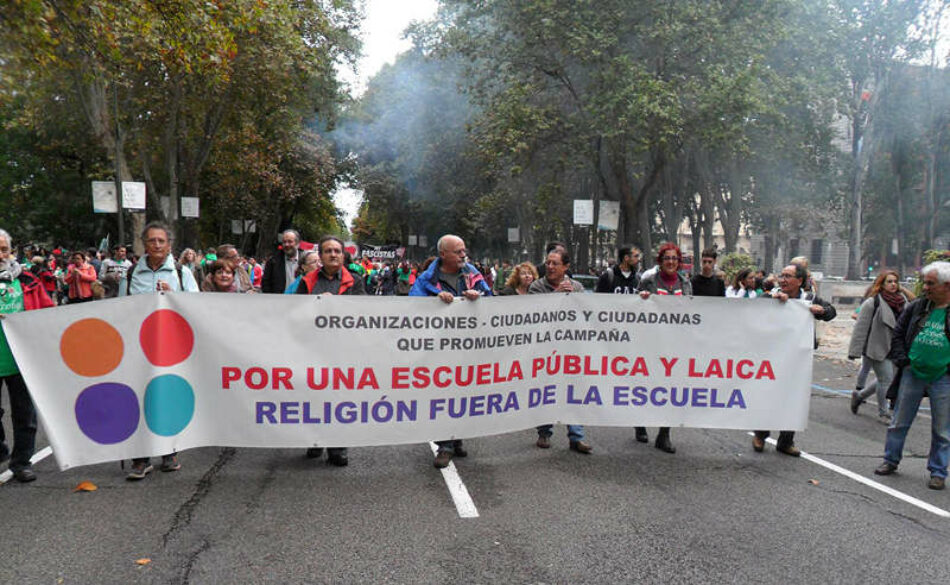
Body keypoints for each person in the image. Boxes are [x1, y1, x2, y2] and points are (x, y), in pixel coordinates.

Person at [120, 222, 199, 480]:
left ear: (169, 245)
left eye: (161, 241)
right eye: (151, 241)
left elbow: (197, 306)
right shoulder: (131, 274)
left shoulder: (181, 272)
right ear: (144, 244)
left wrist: (173, 295)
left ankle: (169, 452)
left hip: (172, 348)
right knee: (140, 399)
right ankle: (141, 458)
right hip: (140, 348)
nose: (156, 245)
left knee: (167, 396)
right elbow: (119, 310)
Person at [410, 234, 492, 468]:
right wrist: (435, 300)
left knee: (462, 395)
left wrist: (480, 296)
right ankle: (444, 445)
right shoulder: (427, 279)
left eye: (464, 250)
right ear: (443, 254)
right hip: (439, 350)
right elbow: (414, 306)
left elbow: (490, 299)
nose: (463, 255)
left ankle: (456, 439)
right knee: (442, 396)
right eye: (458, 251)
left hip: (467, 349)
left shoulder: (472, 275)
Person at [874, 262, 950, 490]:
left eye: (930, 284)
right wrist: (903, 360)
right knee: (899, 421)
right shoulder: (917, 307)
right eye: (925, 282)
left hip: (943, 377)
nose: (925, 288)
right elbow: (898, 333)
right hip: (912, 373)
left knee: (942, 428)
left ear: (947, 286)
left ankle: (938, 471)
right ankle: (890, 460)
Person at [295, 236, 367, 467]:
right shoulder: (306, 282)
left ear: (343, 255)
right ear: (321, 255)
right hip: (313, 348)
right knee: (314, 396)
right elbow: (294, 312)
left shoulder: (355, 281)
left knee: (338, 399)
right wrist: (316, 303)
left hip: (342, 350)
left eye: (337, 250)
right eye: (328, 251)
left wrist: (335, 303)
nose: (333, 254)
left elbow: (364, 311)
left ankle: (338, 447)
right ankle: (315, 440)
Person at [753, 263, 836, 456]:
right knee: (769, 395)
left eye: (788, 276)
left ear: (800, 281)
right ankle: (760, 434)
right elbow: (754, 309)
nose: (783, 280)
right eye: (782, 276)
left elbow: (831, 312)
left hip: (797, 359)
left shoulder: (809, 298)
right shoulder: (771, 294)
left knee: (792, 398)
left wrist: (821, 311)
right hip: (771, 356)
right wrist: (771, 301)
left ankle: (786, 441)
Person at [0, 229, 55, 482]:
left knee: (24, 413)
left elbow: (47, 312)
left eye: (3, 249)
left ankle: (22, 462)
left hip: (21, 359)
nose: (0, 254)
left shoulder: (27, 281)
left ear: (11, 251)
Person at [528, 247, 593, 454]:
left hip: (571, 349)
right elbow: (531, 315)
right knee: (546, 390)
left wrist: (576, 298)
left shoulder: (578, 287)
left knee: (573, 390)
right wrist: (555, 297)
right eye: (548, 263)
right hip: (546, 349)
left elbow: (587, 314)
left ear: (566, 267)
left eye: (555, 263)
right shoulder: (537, 287)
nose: (550, 267)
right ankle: (544, 432)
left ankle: (577, 437)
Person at [636, 242, 693, 453]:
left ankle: (664, 433)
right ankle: (639, 423)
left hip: (675, 345)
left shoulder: (686, 283)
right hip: (651, 343)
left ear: (679, 262)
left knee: (670, 387)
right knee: (646, 385)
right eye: (667, 258)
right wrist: (640, 299)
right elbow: (633, 310)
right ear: (660, 261)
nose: (671, 262)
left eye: (674, 258)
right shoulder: (648, 281)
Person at [848, 270, 913, 422]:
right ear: (881, 284)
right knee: (886, 379)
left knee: (886, 379)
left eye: (895, 281)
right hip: (878, 347)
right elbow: (861, 328)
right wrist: (855, 351)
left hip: (897, 348)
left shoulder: (903, 301)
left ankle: (859, 395)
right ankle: (883, 413)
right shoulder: (873, 302)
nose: (893, 284)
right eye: (889, 281)